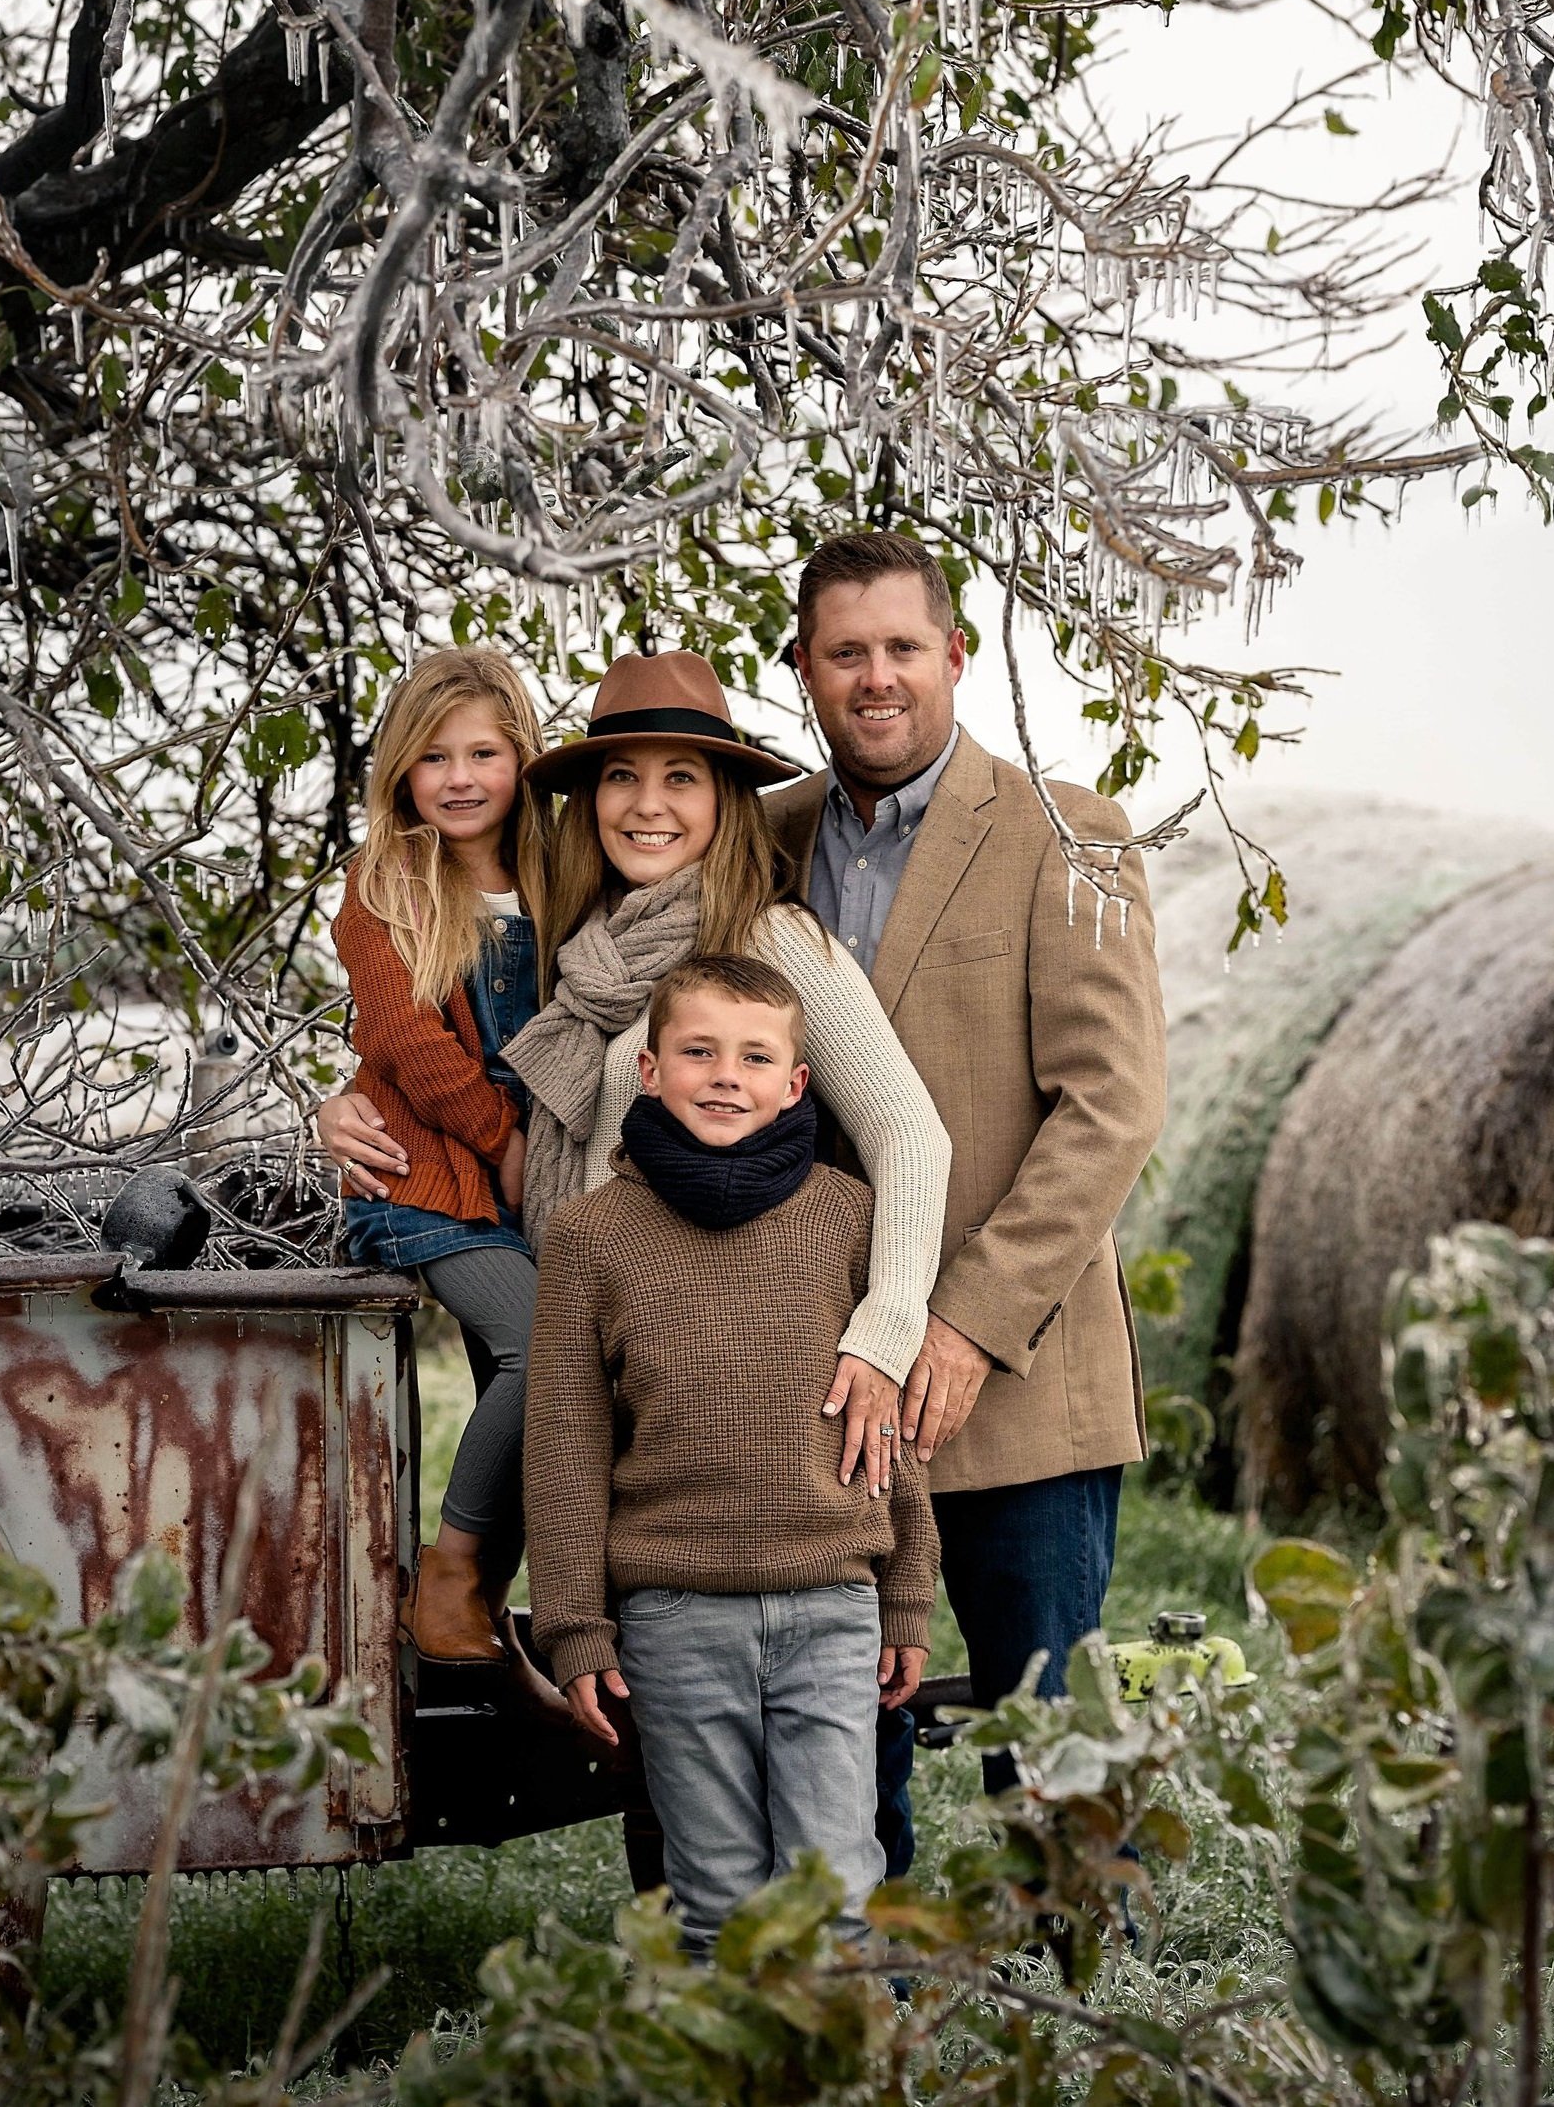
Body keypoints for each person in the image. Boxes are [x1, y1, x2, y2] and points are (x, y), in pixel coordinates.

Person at [767, 530, 1168, 1857]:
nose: (873, 678)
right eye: (842, 654)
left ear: (952, 653)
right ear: (805, 672)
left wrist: (963, 1326)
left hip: (1013, 1386)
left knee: (1047, 1765)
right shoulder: (752, 844)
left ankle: (1077, 2038)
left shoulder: (1072, 833)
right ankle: (851, 2017)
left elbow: (1108, 1108)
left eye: (897, 648)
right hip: (822, 1390)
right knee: (832, 1761)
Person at [524, 952, 937, 1952]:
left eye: (755, 1056)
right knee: (711, 1897)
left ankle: (843, 2070)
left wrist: (908, 1593)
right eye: (699, 1050)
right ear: (649, 1072)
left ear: (798, 1083)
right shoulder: (591, 1235)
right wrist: (576, 1625)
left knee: (835, 1882)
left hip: (830, 1608)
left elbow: (889, 1423)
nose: (724, 1074)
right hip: (676, 1616)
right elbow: (566, 1442)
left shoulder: (849, 1215)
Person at [500, 649, 950, 1493]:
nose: (647, 805)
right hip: (604, 1357)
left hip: (731, 1375)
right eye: (620, 778)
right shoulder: (581, 956)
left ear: (724, 803)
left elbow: (908, 1135)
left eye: (681, 778)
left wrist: (884, 1333)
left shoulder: (770, 939)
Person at [320, 648, 558, 1699]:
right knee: (541, 1345)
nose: (459, 778)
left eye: (483, 753)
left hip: (533, 1173)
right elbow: (405, 1040)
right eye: (433, 757)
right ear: (401, 773)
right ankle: (448, 1571)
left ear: (521, 758)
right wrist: (504, 1144)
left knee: (542, 1375)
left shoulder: (560, 871)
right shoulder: (386, 886)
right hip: (422, 1180)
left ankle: (487, 1597)